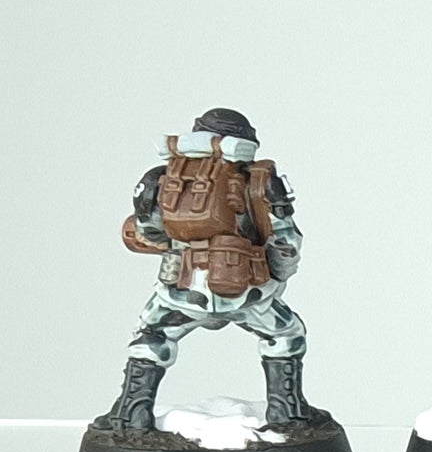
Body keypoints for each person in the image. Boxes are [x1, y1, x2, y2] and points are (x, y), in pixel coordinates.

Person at [100, 107, 319, 433]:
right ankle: (287, 412)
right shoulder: (260, 179)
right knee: (285, 333)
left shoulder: (161, 177)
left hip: (181, 288)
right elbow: (287, 241)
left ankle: (131, 413)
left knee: (152, 334)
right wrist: (276, 277)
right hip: (246, 289)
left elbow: (148, 231)